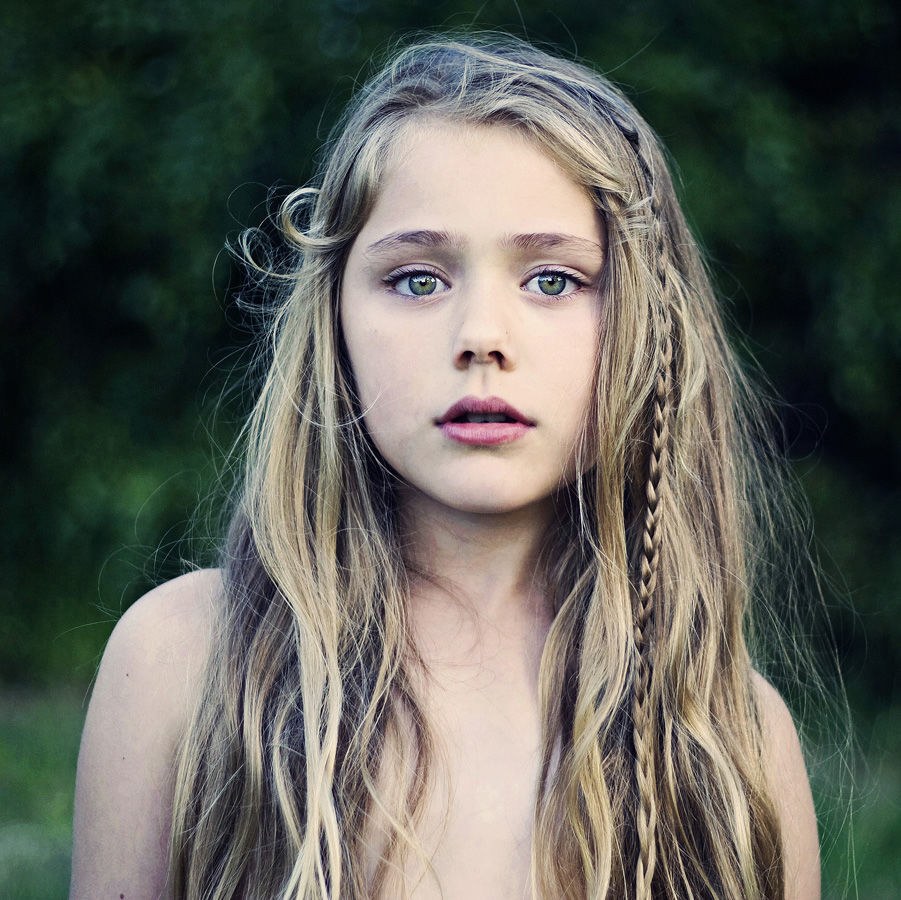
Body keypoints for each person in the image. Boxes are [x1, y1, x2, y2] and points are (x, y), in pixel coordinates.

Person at [70, 34, 821, 899]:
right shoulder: (184, 662)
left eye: (552, 280)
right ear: (333, 321)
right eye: (418, 279)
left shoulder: (732, 738)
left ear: (649, 328)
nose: (481, 338)